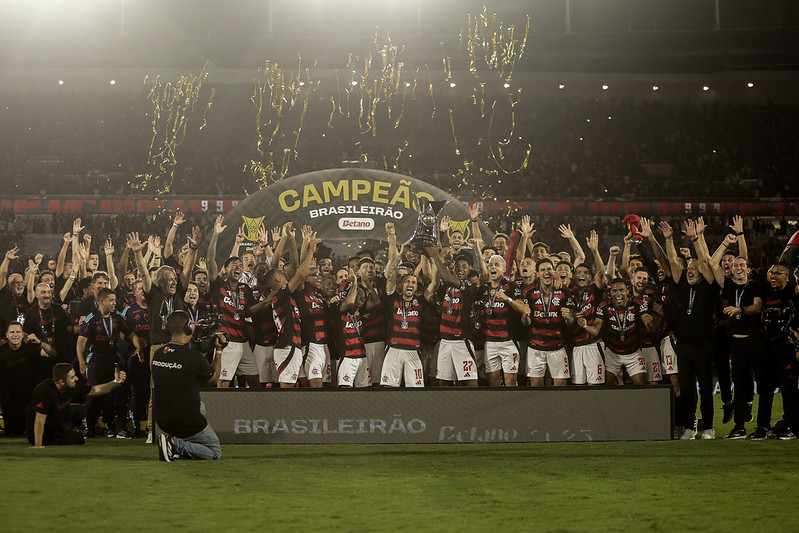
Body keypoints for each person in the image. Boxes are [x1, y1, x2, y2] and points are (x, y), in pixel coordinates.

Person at [152, 310, 222, 461]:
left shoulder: (157, 354)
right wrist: (219, 351)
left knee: (201, 405)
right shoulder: (193, 358)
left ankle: (178, 444)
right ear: (189, 328)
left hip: (162, 419)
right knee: (214, 452)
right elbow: (214, 378)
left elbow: (186, 367)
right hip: (185, 421)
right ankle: (174, 443)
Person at [28, 362, 127, 448]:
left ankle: (63, 432)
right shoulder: (43, 390)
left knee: (81, 410)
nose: (76, 378)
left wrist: (116, 382)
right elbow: (40, 419)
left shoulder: (73, 386)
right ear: (62, 382)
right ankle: (54, 438)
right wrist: (38, 444)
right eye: (72, 377)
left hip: (56, 422)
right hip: (40, 430)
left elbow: (95, 390)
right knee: (77, 439)